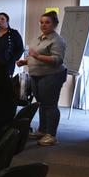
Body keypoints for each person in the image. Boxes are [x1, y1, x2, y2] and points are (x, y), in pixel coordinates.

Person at [16, 11, 67, 146]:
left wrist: (37, 57)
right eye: (42, 22)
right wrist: (25, 61)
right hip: (37, 75)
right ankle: (42, 130)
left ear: (55, 24)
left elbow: (58, 60)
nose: (43, 25)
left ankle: (51, 135)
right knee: (41, 104)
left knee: (50, 105)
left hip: (51, 76)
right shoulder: (39, 38)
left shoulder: (57, 40)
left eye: (47, 22)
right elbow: (33, 56)